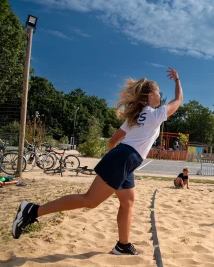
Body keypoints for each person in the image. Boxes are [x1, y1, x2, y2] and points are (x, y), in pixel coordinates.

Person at [11, 67, 183, 255]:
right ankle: (32, 210)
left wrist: (115, 162)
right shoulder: (154, 114)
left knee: (127, 201)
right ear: (150, 95)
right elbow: (179, 100)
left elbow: (112, 141)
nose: (160, 96)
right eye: (158, 93)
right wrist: (177, 80)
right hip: (124, 158)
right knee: (90, 200)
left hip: (124, 159)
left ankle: (122, 245)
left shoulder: (135, 117)